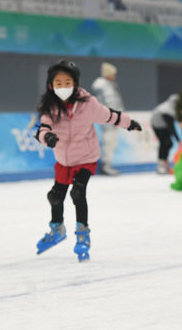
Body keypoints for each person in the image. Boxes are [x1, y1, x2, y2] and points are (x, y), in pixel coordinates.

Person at [35, 60, 142, 259]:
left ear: (75, 84)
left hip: (86, 157)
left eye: (68, 82)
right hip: (64, 159)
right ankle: (57, 229)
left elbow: (109, 115)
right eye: (59, 83)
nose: (63, 87)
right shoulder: (50, 107)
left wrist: (129, 123)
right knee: (55, 196)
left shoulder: (87, 104)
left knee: (77, 193)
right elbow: (42, 128)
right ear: (51, 85)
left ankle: (83, 234)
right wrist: (47, 137)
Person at [91, 62, 124, 175]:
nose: (114, 76)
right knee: (109, 141)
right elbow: (110, 102)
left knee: (111, 141)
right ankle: (105, 165)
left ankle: (107, 164)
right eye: (113, 74)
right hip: (108, 118)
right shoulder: (104, 86)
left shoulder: (109, 85)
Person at [150, 93, 182, 174]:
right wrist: (179, 140)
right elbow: (172, 127)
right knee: (164, 143)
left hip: (164, 124)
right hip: (157, 125)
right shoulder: (167, 110)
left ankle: (165, 162)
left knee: (169, 143)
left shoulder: (172, 107)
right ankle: (161, 165)